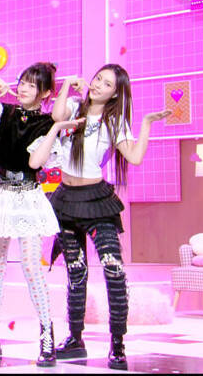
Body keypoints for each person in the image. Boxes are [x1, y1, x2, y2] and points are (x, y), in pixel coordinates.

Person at [30, 63, 171, 370]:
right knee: (75, 271)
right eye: (97, 79)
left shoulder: (115, 121)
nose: (97, 85)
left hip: (97, 201)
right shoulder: (73, 106)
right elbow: (56, 117)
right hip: (66, 199)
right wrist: (68, 84)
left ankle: (117, 344)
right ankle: (75, 337)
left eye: (106, 84)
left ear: (115, 94)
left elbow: (134, 157)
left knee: (113, 269)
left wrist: (146, 124)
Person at [0, 62, 82, 367]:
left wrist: (57, 122)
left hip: (27, 198)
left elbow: (35, 163)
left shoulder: (47, 123)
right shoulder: (4, 111)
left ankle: (47, 335)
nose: (22, 88)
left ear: (45, 92)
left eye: (32, 85)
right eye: (21, 81)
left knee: (32, 268)